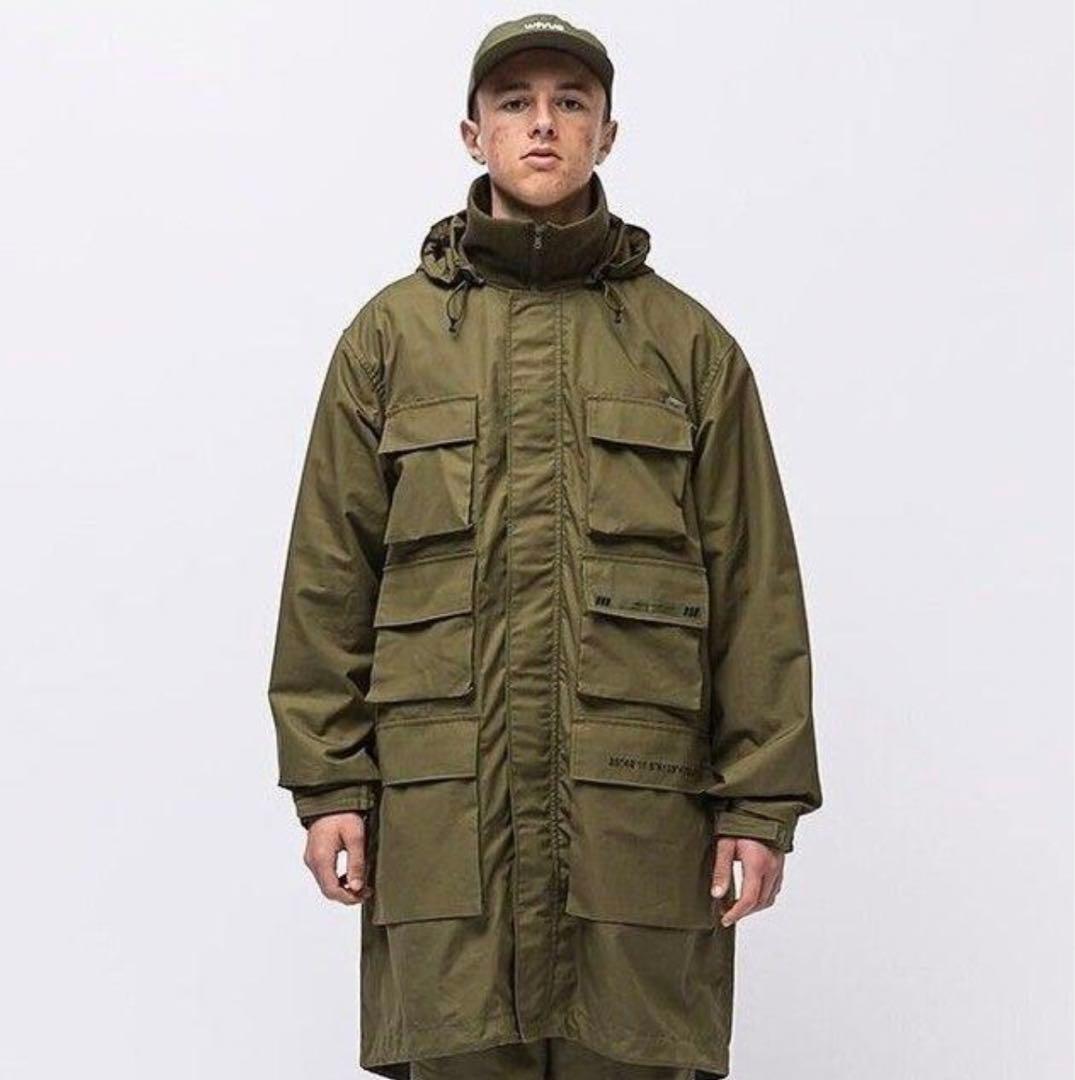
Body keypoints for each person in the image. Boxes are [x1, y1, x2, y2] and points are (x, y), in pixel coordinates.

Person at [267, 13, 823, 1079]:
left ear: (606, 134)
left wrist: (758, 806)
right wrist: (329, 785)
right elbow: (328, 576)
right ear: (471, 133)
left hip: (635, 822)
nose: (541, 123)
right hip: (446, 820)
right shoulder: (388, 340)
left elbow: (756, 588)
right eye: (514, 102)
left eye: (570, 103)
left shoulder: (687, 347)